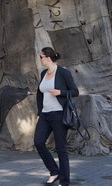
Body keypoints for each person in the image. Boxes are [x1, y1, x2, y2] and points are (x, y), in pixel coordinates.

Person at [33, 46, 79, 186]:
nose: (40, 59)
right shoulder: (43, 74)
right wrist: (39, 113)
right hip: (45, 115)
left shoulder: (63, 73)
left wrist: (60, 92)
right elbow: (40, 94)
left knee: (60, 148)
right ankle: (54, 171)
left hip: (59, 114)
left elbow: (75, 91)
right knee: (38, 142)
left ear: (48, 58)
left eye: (41, 57)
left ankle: (64, 181)